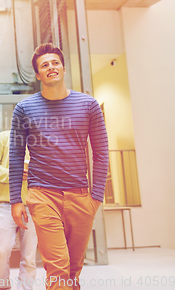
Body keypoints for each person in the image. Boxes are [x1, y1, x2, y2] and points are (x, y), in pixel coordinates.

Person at [9, 43, 109, 290]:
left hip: (80, 196)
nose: (51, 67)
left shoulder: (89, 105)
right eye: (45, 65)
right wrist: (15, 199)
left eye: (55, 63)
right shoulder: (24, 109)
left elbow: (101, 152)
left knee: (73, 271)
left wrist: (96, 197)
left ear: (63, 68)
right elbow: (15, 155)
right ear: (38, 74)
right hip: (43, 195)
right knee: (58, 266)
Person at [0, 131, 37, 290]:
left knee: (29, 256)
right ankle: (3, 286)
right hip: (6, 204)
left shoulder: (40, 139)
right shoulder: (4, 137)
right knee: (2, 250)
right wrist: (13, 174)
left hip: (33, 204)